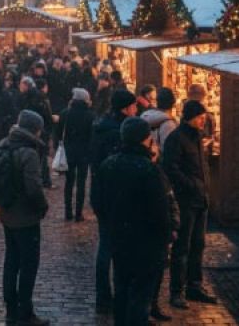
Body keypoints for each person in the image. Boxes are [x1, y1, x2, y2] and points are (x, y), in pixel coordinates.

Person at [93, 117, 178, 326]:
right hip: (146, 243)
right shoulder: (149, 170)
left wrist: (111, 222)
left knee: (121, 289)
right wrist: (167, 236)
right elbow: (160, 210)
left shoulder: (109, 164)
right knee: (140, 296)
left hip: (119, 239)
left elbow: (97, 201)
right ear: (145, 140)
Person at [0, 110, 51, 326]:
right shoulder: (29, 152)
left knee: (11, 260)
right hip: (25, 216)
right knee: (28, 264)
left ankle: (11, 306)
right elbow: (33, 188)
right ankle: (25, 311)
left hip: (7, 211)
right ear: (34, 129)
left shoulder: (4, 143)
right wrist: (42, 207)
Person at [163, 100, 219, 308]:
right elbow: (170, 167)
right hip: (186, 201)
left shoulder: (197, 137)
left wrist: (204, 189)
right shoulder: (176, 139)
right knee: (182, 247)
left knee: (198, 245)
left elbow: (200, 167)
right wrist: (190, 186)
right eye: (200, 117)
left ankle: (195, 286)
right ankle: (177, 291)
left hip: (200, 200)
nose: (204, 120)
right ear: (190, 117)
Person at [89, 89, 139, 314]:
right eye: (134, 106)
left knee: (105, 245)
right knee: (115, 247)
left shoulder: (102, 127)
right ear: (125, 108)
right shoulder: (119, 133)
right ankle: (115, 296)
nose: (136, 110)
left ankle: (103, 296)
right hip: (115, 197)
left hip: (100, 194)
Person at [60, 87, 96, 221]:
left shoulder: (65, 113)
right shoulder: (91, 115)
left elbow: (58, 133)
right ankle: (78, 213)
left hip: (69, 151)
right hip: (84, 152)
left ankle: (68, 212)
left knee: (69, 182)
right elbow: (92, 136)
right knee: (81, 183)